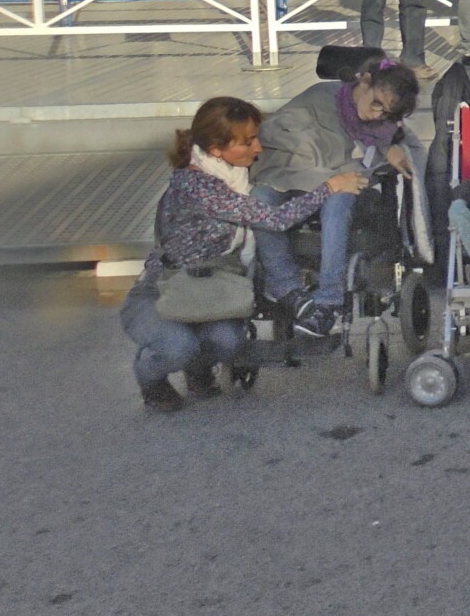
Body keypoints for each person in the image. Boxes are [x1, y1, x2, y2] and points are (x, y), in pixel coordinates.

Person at [124, 97, 367, 412]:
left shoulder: (232, 175)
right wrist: (330, 186)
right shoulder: (199, 188)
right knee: (178, 346)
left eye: (257, 137)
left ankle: (198, 369)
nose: (258, 148)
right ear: (216, 149)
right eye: (248, 142)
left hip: (212, 287)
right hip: (162, 292)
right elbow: (275, 219)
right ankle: (151, 379)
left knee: (229, 342)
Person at [250, 60, 421, 339]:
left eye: (385, 112)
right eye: (376, 103)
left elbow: (371, 158)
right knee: (259, 197)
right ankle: (286, 288)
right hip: (292, 171)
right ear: (364, 80)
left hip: (337, 183)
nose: (375, 115)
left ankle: (328, 300)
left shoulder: (382, 130)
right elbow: (279, 134)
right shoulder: (320, 98)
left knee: (339, 200)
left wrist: (385, 147)